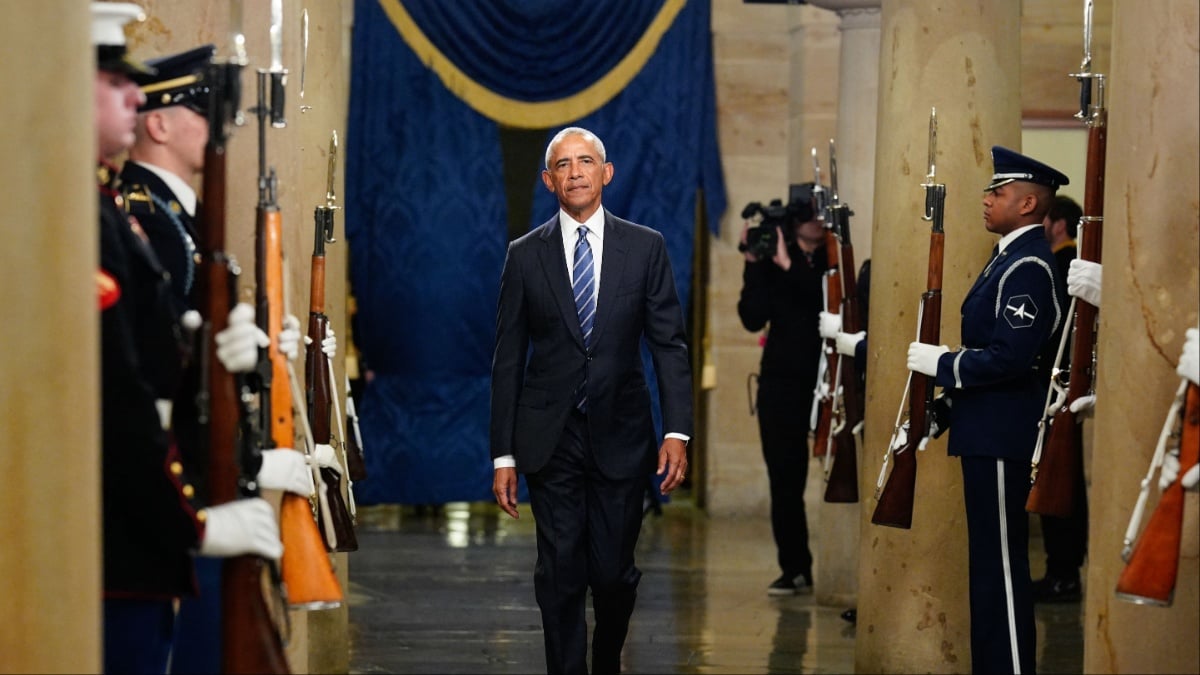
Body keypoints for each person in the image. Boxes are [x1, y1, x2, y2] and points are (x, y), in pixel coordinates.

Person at [117, 43, 319, 673]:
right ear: (159, 123)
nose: (219, 129)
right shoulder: (146, 216)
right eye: (202, 112)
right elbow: (161, 370)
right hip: (173, 474)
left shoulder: (180, 216)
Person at [93, 6, 282, 673]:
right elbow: (121, 392)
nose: (133, 95)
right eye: (111, 81)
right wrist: (198, 518)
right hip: (133, 510)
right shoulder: (129, 215)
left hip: (151, 503)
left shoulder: (123, 210)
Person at [490, 126, 692, 673]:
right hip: (549, 440)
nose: (575, 172)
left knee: (611, 573)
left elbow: (668, 343)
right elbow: (507, 358)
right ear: (548, 179)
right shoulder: (525, 255)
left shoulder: (645, 247)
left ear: (606, 173)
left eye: (585, 161)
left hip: (622, 436)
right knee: (558, 572)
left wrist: (677, 430)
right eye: (563, 164)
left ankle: (607, 660)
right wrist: (503, 455)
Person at [905, 146, 1068, 674]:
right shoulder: (1007, 258)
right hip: (985, 429)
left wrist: (944, 364)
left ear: (1026, 204)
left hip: (1004, 434)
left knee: (1001, 567)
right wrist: (945, 409)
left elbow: (1011, 357)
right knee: (987, 568)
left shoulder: (1029, 266)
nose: (986, 199)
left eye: (997, 192)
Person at [736, 185, 827, 596]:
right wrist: (756, 264)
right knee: (784, 480)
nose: (818, 222)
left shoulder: (833, 256)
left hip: (831, 379)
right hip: (782, 382)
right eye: (810, 215)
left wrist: (790, 264)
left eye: (822, 214)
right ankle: (795, 567)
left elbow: (823, 302)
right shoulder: (772, 259)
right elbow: (752, 319)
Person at [1031, 194, 1089, 603]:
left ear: (1059, 223)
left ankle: (1063, 572)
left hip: (1057, 387)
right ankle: (1061, 569)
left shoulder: (1063, 264)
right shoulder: (1064, 262)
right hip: (1059, 386)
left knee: (1058, 480)